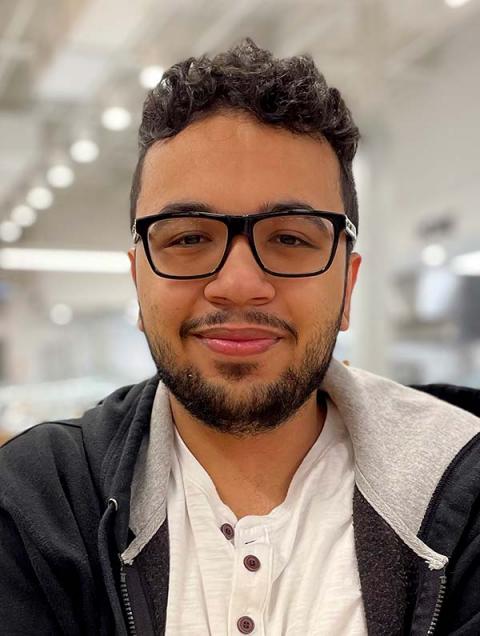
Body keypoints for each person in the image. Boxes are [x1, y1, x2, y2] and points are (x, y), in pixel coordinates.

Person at [1, 38, 480, 636]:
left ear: (348, 287)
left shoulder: (463, 489)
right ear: (139, 283)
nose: (238, 284)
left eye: (290, 239)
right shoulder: (40, 500)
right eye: (187, 238)